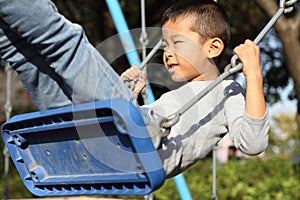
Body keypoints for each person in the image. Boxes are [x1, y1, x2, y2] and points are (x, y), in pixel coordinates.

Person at [0, 0, 269, 179]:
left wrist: (254, 75)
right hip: (100, 141)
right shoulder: (178, 95)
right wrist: (133, 97)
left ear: (213, 48)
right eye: (164, 46)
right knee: (24, 55)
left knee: (63, 41)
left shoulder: (227, 90)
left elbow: (253, 143)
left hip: (136, 147)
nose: (167, 53)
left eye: (177, 43)